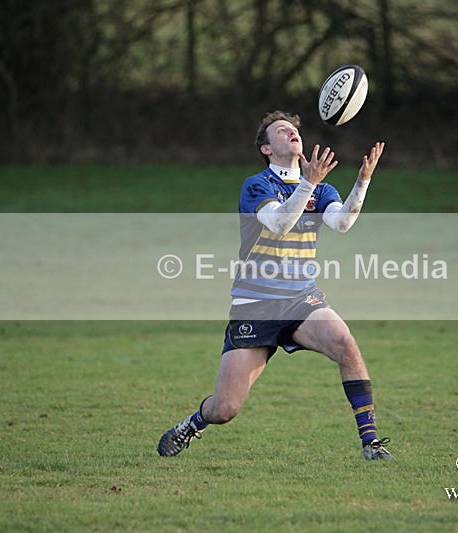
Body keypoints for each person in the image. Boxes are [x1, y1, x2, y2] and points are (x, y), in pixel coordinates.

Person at [157, 110, 394, 460]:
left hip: (301, 300)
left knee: (346, 344)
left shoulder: (321, 187)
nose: (291, 133)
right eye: (281, 131)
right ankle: (191, 425)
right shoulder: (257, 185)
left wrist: (363, 181)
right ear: (267, 149)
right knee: (225, 408)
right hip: (256, 306)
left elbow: (342, 223)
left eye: (294, 130)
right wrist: (308, 183)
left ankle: (370, 443)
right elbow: (279, 223)